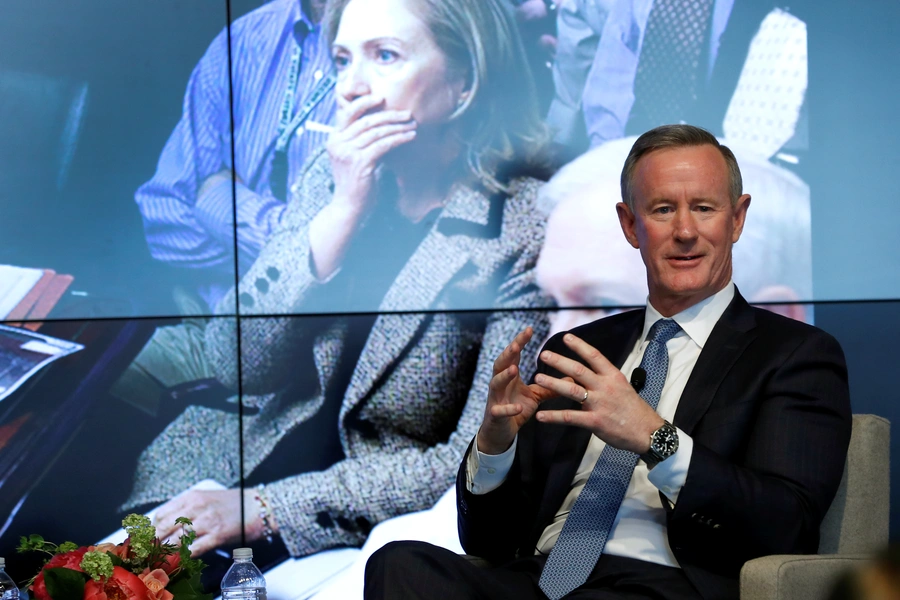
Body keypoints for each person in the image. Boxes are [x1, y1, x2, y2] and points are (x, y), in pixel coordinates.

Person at [118, 0, 554, 562]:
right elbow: (235, 364)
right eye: (343, 60)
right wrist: (341, 213)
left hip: (367, 528)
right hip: (231, 464)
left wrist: (267, 509)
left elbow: (476, 460)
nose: (350, 88)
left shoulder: (527, 230)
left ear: (465, 80)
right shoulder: (334, 175)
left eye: (386, 56)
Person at [364, 124, 851, 599]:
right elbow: (488, 543)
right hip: (540, 578)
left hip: (666, 582)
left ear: (737, 219)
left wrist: (651, 436)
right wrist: (494, 446)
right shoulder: (574, 350)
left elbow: (787, 523)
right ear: (630, 225)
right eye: (662, 209)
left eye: (703, 208)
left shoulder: (794, 354)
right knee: (398, 563)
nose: (684, 231)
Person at [135, 0, 337, 311]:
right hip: (203, 324)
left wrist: (218, 202)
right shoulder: (244, 37)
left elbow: (349, 263)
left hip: (319, 346)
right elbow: (162, 215)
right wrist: (294, 265)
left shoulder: (402, 57)